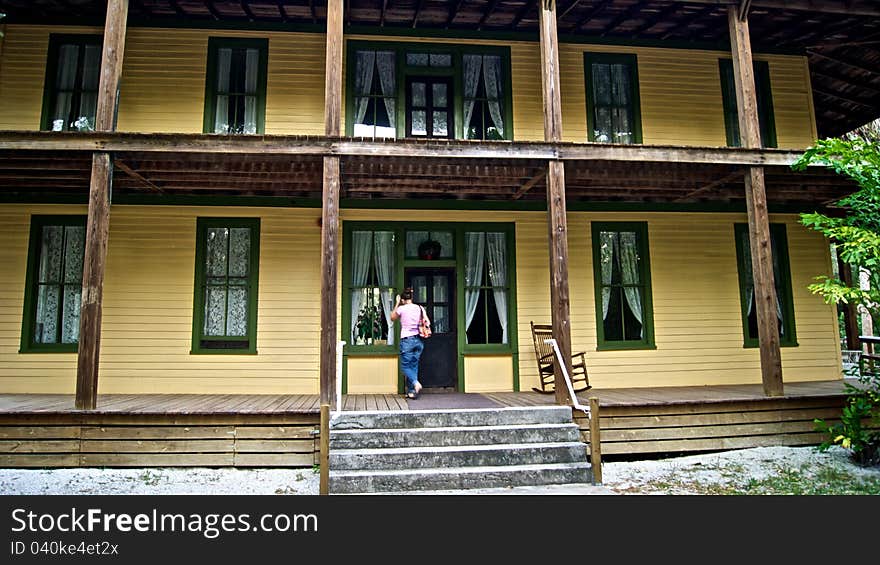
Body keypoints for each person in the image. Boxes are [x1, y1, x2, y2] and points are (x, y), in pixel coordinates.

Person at [391, 288, 429, 399]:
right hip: (418, 340)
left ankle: (416, 384)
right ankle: (412, 392)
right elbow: (427, 321)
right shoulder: (420, 308)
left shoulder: (401, 309)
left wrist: (397, 303)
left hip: (407, 340)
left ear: (403, 300)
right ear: (411, 298)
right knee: (413, 365)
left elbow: (392, 317)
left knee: (405, 367)